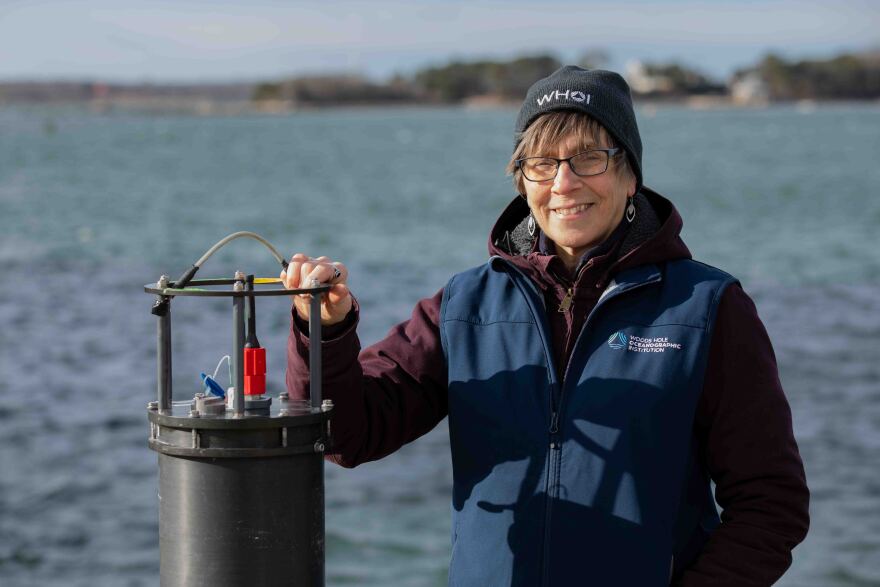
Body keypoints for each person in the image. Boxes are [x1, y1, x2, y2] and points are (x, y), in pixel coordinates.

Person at [282, 66, 809, 586]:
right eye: (542, 163)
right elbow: (345, 435)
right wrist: (324, 332)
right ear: (522, 179)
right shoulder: (465, 305)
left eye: (588, 158)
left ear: (629, 176)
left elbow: (771, 505)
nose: (564, 182)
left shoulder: (707, 307)